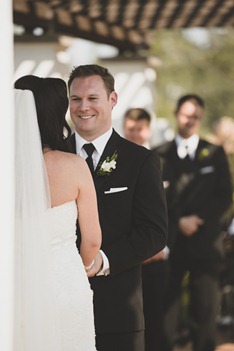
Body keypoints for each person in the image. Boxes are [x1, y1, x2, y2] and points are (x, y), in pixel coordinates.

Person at [67, 64, 168, 351]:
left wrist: (103, 260)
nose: (83, 107)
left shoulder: (141, 160)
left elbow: (154, 232)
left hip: (118, 311)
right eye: (76, 99)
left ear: (113, 99)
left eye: (92, 98)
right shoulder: (51, 156)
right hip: (59, 307)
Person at [14, 75, 102, 351]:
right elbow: (92, 241)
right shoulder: (73, 166)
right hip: (64, 285)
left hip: (15, 287)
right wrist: (78, 268)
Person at [153, 94, 233, 351]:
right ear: (178, 114)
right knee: (167, 308)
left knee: (205, 308)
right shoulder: (158, 155)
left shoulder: (216, 154)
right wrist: (178, 222)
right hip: (171, 244)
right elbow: (153, 199)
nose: (191, 120)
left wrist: (199, 221)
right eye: (187, 115)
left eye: (196, 116)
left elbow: (224, 196)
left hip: (205, 243)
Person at [123, 107, 169, 351]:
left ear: (148, 130)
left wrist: (162, 247)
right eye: (130, 129)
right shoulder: (114, 160)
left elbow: (172, 207)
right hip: (126, 259)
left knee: (156, 320)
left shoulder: (159, 160)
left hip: (157, 258)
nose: (134, 134)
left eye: (139, 129)